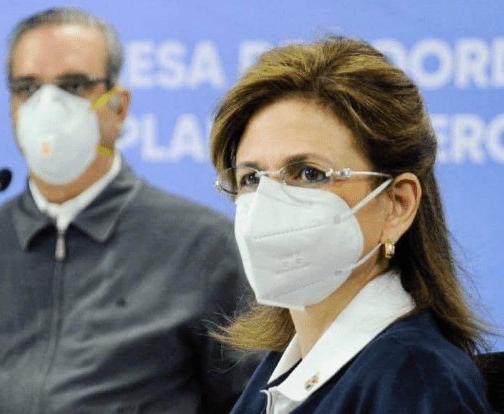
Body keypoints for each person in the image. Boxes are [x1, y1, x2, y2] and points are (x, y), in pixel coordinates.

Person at [0, 8, 257, 414]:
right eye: (27, 88)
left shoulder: (202, 247)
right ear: (12, 107)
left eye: (74, 85)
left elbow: (249, 401)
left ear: (119, 108)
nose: (47, 105)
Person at [209, 35, 494, 413]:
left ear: (397, 205)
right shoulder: (282, 369)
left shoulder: (417, 384)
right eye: (251, 178)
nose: (268, 203)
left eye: (309, 173)